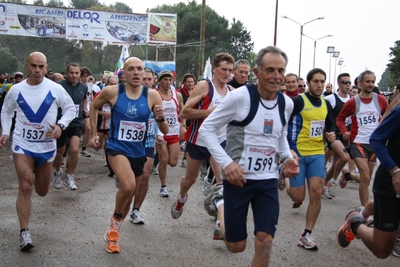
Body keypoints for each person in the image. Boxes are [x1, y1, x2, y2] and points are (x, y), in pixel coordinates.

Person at [199, 46, 299, 266]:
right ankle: (220, 201)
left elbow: (280, 135)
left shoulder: (287, 103)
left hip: (267, 181)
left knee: (265, 241)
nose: (276, 76)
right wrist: (227, 164)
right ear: (257, 72)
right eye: (270, 70)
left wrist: (287, 157)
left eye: (280, 70)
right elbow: (206, 130)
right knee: (236, 246)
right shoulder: (240, 98)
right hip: (238, 179)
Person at [89, 57, 168, 253]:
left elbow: (165, 129)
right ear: (123, 72)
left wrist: (159, 117)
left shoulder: (153, 96)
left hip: (138, 151)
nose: (135, 72)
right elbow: (93, 106)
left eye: (139, 69)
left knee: (129, 195)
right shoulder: (112, 92)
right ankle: (115, 222)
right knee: (129, 185)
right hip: (117, 147)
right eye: (131, 69)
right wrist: (93, 133)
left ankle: (115, 229)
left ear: (144, 73)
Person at [0, 52, 75, 251]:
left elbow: (70, 109)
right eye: (33, 66)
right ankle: (24, 232)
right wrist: (6, 132)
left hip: (47, 147)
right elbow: (6, 111)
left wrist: (61, 125)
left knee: (42, 191)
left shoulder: (55, 88)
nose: (37, 70)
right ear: (27, 66)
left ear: (46, 67)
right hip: (22, 144)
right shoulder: (16, 90)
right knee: (26, 185)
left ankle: (46, 178)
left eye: (41, 66)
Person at [170, 52, 235, 220]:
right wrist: (209, 112)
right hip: (198, 140)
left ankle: (220, 222)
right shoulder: (204, 86)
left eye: (230, 70)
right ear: (214, 69)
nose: (227, 73)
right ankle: (181, 198)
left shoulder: (232, 91)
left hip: (219, 141)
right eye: (223, 69)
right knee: (189, 180)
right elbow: (185, 111)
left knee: (222, 182)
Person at [336, 92, 400, 259]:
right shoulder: (353, 102)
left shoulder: (379, 101)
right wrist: (394, 170)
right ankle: (355, 223)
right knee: (382, 250)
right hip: (391, 180)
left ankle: (369, 209)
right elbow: (377, 138)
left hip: (370, 149)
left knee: (365, 177)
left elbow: (384, 113)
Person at [286, 68, 336, 250]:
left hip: (317, 154)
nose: (320, 85)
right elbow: (283, 124)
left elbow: (330, 123)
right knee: (298, 197)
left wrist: (331, 134)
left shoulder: (325, 104)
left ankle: (307, 234)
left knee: (316, 194)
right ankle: (282, 175)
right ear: (308, 83)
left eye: (322, 81)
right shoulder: (298, 101)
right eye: (316, 81)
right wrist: (288, 150)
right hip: (297, 153)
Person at [336, 70, 388, 207]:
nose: (370, 84)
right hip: (357, 142)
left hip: (374, 144)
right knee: (365, 176)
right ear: (359, 83)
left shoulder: (380, 100)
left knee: (367, 179)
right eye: (367, 81)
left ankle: (349, 175)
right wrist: (344, 131)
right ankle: (364, 210)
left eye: (372, 81)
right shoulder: (353, 102)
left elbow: (388, 117)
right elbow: (340, 119)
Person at [128, 67, 163, 224]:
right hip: (128, 141)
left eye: (150, 79)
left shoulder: (156, 96)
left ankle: (136, 210)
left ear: (154, 80)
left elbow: (160, 118)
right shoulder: (128, 95)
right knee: (130, 179)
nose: (147, 82)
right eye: (145, 79)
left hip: (148, 140)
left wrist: (160, 134)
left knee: (145, 175)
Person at [52, 63, 88, 190]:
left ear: (80, 74)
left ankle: (70, 176)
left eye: (76, 73)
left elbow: (84, 98)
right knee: (59, 152)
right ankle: (57, 172)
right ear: (67, 73)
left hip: (76, 122)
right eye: (71, 73)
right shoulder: (59, 86)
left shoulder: (83, 87)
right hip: (61, 123)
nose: (74, 75)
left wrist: (84, 109)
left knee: (74, 150)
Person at [322, 73, 352, 199]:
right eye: (345, 82)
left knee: (335, 163)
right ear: (339, 84)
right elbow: (324, 116)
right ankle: (333, 181)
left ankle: (324, 185)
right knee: (345, 157)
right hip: (333, 134)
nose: (348, 85)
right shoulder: (331, 99)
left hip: (345, 135)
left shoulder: (352, 99)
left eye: (349, 82)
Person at [156, 70, 185, 198]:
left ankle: (162, 165)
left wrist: (183, 126)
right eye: (165, 80)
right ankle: (163, 186)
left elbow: (182, 112)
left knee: (173, 162)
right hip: (160, 132)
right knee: (163, 160)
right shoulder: (155, 95)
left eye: (170, 80)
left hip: (174, 131)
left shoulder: (177, 95)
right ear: (160, 81)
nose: (168, 82)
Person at [176, 73, 196, 168]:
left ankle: (184, 158)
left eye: (192, 82)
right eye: (188, 82)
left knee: (189, 141)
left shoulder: (196, 91)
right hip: (181, 119)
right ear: (184, 82)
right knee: (180, 139)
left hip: (192, 119)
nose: (190, 84)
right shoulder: (179, 92)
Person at [80, 67, 101, 157]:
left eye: (87, 76)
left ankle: (84, 149)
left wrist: (89, 109)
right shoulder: (78, 85)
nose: (85, 78)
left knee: (88, 128)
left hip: (86, 110)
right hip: (77, 110)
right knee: (80, 130)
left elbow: (90, 99)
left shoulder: (90, 86)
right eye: (83, 76)